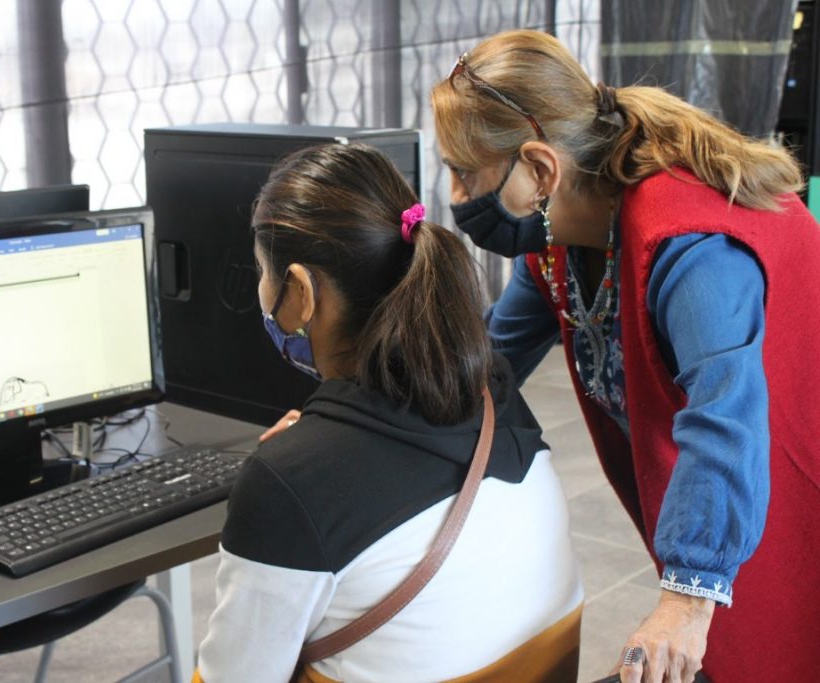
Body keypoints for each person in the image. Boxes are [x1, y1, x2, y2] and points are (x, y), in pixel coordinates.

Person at [430, 28, 820, 683]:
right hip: (738, 480)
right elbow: (485, 363)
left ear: (541, 169)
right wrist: (356, 419)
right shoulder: (557, 249)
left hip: (784, 460)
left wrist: (686, 598)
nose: (456, 196)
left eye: (465, 172)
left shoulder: (690, 245)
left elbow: (724, 415)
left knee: (779, 636)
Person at [193, 143, 583, 682]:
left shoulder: (289, 483)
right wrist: (315, 455)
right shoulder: (493, 389)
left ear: (301, 291)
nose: (262, 290)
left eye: (263, 272)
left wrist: (298, 469)